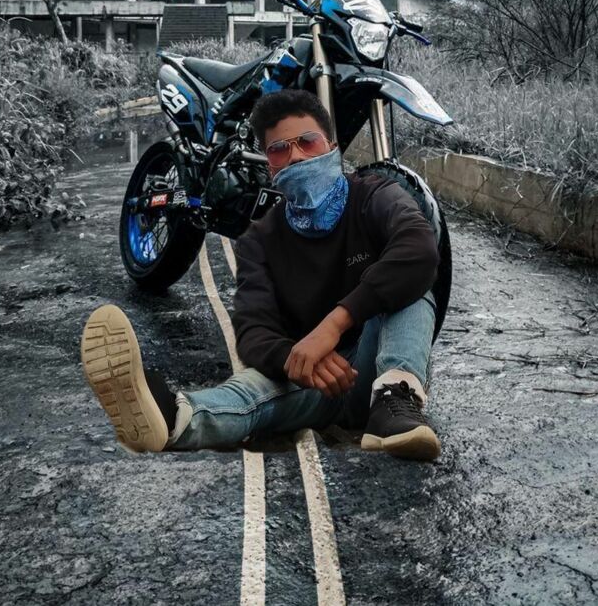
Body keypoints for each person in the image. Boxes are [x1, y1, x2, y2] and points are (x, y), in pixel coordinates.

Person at [82, 90, 442, 461]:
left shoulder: (374, 196)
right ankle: (172, 418)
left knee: (409, 283)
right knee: (251, 392)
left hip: (378, 359)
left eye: (308, 142)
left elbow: (419, 248)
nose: (296, 156)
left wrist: (333, 325)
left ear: (332, 147)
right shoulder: (260, 239)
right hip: (318, 382)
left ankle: (395, 401)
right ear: (270, 167)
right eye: (280, 150)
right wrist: (295, 359)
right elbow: (253, 332)